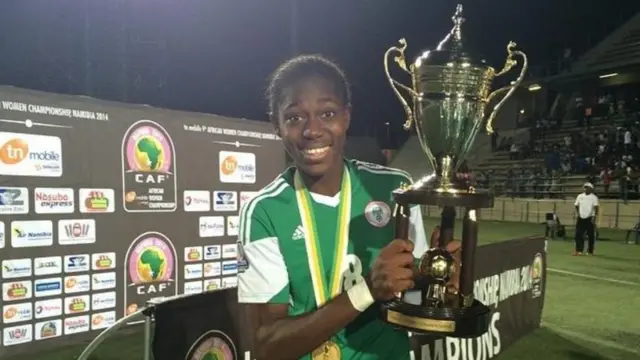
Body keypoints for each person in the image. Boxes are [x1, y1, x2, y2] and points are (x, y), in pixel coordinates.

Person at [237, 55, 460, 360]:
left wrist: (438, 280)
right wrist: (366, 290)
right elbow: (267, 345)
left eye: (327, 113)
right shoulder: (264, 211)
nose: (312, 130)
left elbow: (412, 296)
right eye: (294, 118)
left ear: (346, 118)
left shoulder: (395, 190)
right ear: (276, 125)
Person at [573, 182, 599, 255]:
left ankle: (590, 250)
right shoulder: (580, 196)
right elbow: (576, 205)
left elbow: (596, 208)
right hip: (581, 218)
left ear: (591, 189)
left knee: (590, 235)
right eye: (585, 187)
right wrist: (579, 213)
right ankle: (579, 250)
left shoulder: (594, 197)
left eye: (587, 187)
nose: (586, 189)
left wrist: (594, 217)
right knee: (578, 234)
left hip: (590, 218)